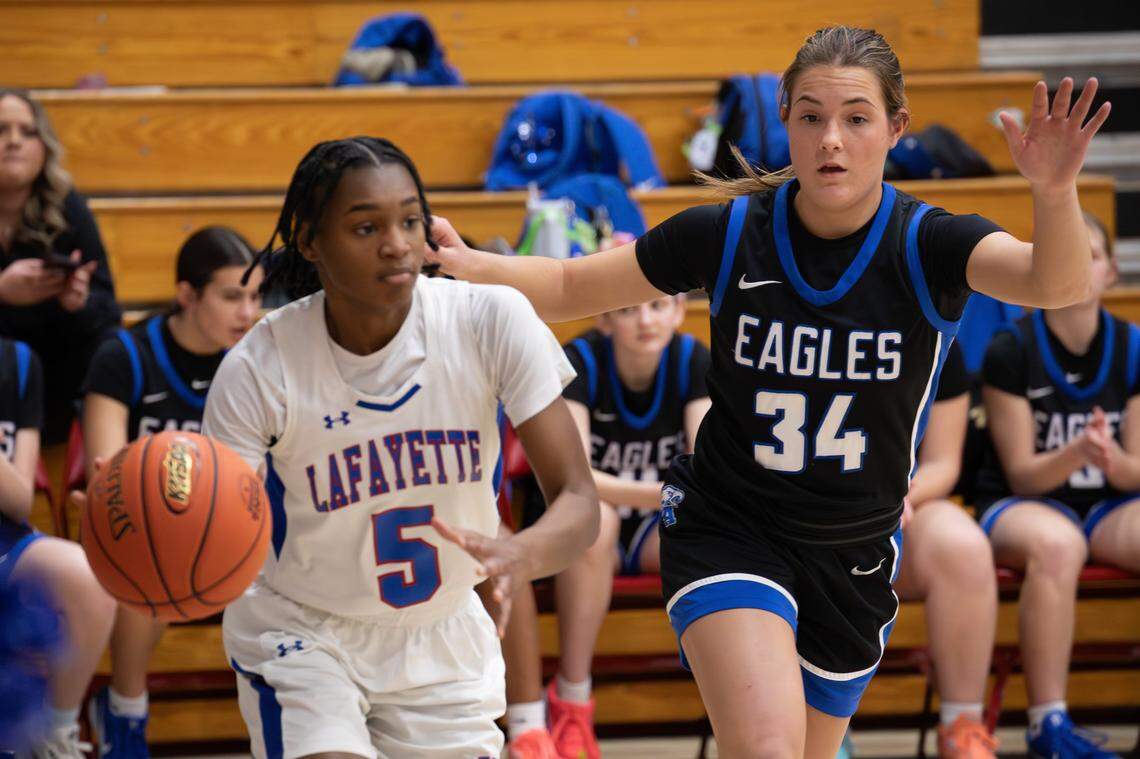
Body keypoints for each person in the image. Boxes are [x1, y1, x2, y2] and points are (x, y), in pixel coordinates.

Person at [424, 25, 1110, 756]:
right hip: (731, 526)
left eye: (854, 118)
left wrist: (1055, 189)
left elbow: (1057, 282)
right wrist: (466, 263)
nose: (831, 141)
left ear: (894, 128)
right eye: (810, 117)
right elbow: (567, 284)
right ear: (785, 119)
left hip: (854, 554)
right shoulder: (729, 233)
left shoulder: (928, 242)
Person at [201, 137, 598, 759]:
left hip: (442, 636)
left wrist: (520, 554)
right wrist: (159, 536)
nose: (397, 244)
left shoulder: (490, 320)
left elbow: (579, 501)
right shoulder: (261, 366)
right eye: (366, 227)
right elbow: (216, 535)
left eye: (410, 221)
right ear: (310, 241)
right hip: (305, 634)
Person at [81, 227, 264, 759]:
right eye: (232, 296)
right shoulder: (127, 356)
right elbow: (105, 471)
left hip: (237, 527)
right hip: (139, 524)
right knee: (155, 543)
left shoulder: (259, 360)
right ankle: (124, 711)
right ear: (187, 294)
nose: (247, 312)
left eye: (255, 296)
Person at [508, 295, 712, 758]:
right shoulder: (579, 361)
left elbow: (705, 469)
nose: (645, 320)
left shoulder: (692, 359)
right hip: (583, 521)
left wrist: (666, 498)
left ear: (680, 311)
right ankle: (572, 701)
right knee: (594, 523)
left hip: (652, 521)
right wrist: (666, 493)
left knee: (708, 538)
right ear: (603, 319)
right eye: (627, 310)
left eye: (658, 306)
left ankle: (724, 697)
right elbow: (578, 478)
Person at [978, 213, 1133, 759]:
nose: (1077, 263)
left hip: (1108, 502)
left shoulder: (1133, 347)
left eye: (1089, 253)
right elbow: (1022, 472)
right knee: (1057, 545)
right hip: (1023, 503)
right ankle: (1049, 722)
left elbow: (1137, 470)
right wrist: (1078, 452)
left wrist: (1110, 458)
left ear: (1111, 271)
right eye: (1063, 250)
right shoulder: (1010, 348)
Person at [0, 336, 116, 758]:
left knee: (88, 580)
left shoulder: (18, 360)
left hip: (4, 536)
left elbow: (18, 500)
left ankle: (53, 732)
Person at [893, 340, 999, 758]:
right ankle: (818, 732)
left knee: (964, 547)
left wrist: (893, 496)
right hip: (808, 504)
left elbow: (942, 463)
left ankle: (962, 726)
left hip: (905, 505)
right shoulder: (801, 314)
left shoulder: (938, 335)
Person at [0, 89, 121, 444]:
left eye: (27, 131)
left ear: (44, 146)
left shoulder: (68, 207)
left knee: (113, 344)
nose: (13, 141)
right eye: (2, 130)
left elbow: (108, 309)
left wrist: (78, 302)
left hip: (56, 372)